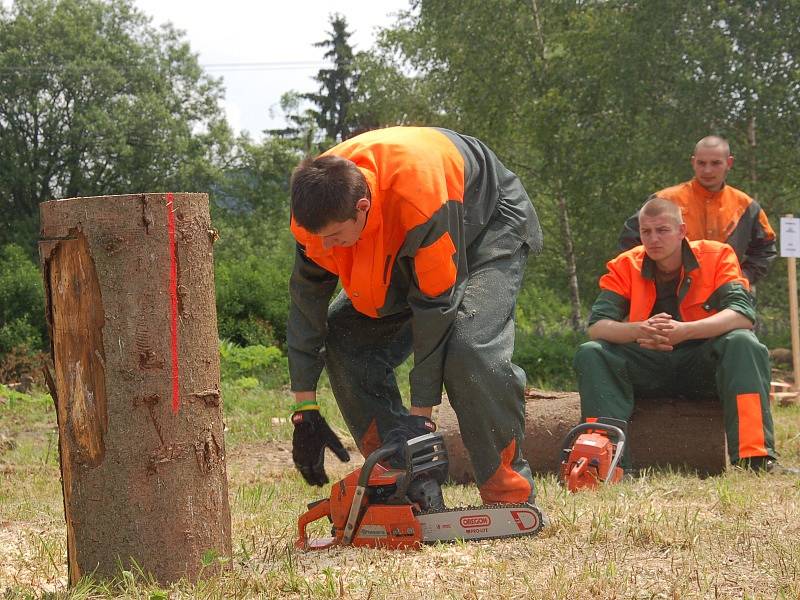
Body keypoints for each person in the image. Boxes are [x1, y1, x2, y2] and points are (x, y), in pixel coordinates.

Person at [287, 126, 543, 505]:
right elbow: (306, 306)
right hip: (404, 232)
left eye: (335, 236)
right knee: (345, 338)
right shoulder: (321, 213)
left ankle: (507, 488)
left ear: (362, 208)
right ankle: (398, 476)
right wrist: (304, 408)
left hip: (487, 223)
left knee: (469, 348)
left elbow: (435, 307)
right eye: (318, 238)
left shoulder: (419, 202)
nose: (324, 247)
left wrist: (422, 418)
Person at [574, 197, 789, 472]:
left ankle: (756, 458)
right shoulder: (626, 264)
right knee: (591, 352)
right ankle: (603, 458)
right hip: (647, 368)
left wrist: (685, 331)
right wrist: (639, 329)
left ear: (682, 231)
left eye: (662, 230)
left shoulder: (717, 255)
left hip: (703, 368)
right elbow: (597, 326)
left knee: (743, 342)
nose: (653, 239)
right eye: (646, 232)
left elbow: (742, 315)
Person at [618, 135, 777, 285]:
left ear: (729, 163)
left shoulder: (746, 206)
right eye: (701, 163)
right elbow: (630, 240)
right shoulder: (665, 199)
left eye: (715, 163)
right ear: (693, 162)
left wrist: (743, 277)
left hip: (724, 295)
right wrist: (655, 277)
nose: (707, 170)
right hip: (671, 295)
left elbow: (765, 248)